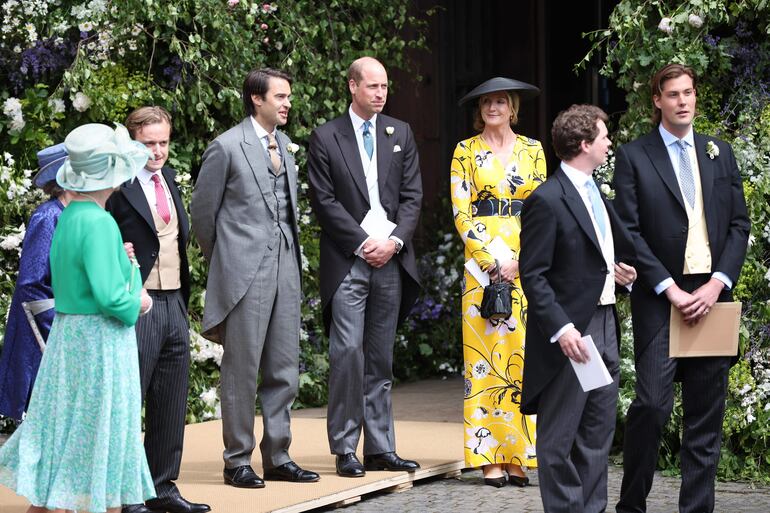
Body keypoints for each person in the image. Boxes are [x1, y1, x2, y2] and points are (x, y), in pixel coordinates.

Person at [614, 63, 750, 513]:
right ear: (657, 100)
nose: (683, 101)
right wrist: (669, 288)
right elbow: (629, 232)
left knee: (705, 419)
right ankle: (631, 504)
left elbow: (737, 224)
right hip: (661, 298)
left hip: (713, 296)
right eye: (673, 94)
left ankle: (697, 510)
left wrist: (718, 284)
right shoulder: (635, 156)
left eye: (688, 93)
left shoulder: (719, 152)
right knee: (651, 406)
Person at [0, 123, 155, 513]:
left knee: (65, 428)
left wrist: (126, 267)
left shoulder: (68, 216)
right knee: (103, 431)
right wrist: (138, 302)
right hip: (100, 340)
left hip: (70, 335)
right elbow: (111, 298)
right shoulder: (100, 221)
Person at [191, 68, 318, 488]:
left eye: (289, 96)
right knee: (241, 370)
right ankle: (237, 460)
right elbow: (203, 217)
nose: (287, 103)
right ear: (255, 99)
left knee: (283, 367)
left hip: (285, 266)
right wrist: (227, 261)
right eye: (280, 96)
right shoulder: (226, 147)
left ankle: (278, 455)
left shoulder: (285, 145)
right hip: (244, 272)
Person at [307, 56, 423, 478]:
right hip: (348, 261)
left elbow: (412, 197)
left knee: (381, 357)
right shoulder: (325, 137)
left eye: (385, 87)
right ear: (352, 86)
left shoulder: (401, 132)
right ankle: (344, 448)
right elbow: (324, 202)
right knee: (347, 353)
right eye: (373, 86)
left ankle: (380, 448)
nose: (381, 93)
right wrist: (362, 243)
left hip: (390, 259)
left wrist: (392, 242)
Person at [519, 104, 637, 512]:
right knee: (559, 440)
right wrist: (563, 329)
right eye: (604, 137)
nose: (609, 143)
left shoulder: (597, 194)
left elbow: (596, 258)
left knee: (597, 434)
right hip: (572, 334)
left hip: (605, 323)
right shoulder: (546, 200)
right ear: (585, 144)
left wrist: (621, 275)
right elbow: (534, 275)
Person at [106, 107, 209, 513]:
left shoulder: (168, 179)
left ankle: (162, 487)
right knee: (133, 400)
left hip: (174, 302)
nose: (158, 151)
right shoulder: (116, 186)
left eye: (163, 142)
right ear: (133, 142)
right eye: (149, 143)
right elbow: (102, 239)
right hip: (139, 303)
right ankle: (129, 494)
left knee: (170, 398)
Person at [450, 77, 544, 487]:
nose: (493, 107)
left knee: (523, 357)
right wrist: (490, 261)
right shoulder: (464, 151)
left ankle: (519, 453)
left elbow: (543, 207)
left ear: (512, 107)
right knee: (484, 361)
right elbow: (460, 211)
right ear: (479, 109)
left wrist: (522, 260)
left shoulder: (534, 150)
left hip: (524, 266)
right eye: (486, 102)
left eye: (500, 101)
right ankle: (489, 457)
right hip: (481, 268)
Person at [0, 143, 76, 421]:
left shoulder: (73, 214)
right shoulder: (48, 216)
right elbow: (32, 283)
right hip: (43, 331)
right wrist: (61, 324)